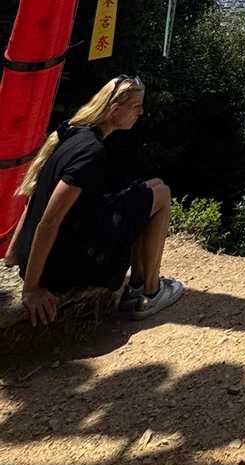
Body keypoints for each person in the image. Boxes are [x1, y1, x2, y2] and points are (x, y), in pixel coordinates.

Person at [3, 75, 184, 325]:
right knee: (161, 195)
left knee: (154, 187)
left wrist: (13, 254)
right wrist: (31, 289)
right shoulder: (90, 153)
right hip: (66, 265)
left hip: (60, 247)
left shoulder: (71, 132)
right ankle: (150, 293)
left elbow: (36, 195)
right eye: (136, 106)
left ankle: (138, 284)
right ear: (114, 109)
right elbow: (49, 221)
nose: (141, 112)